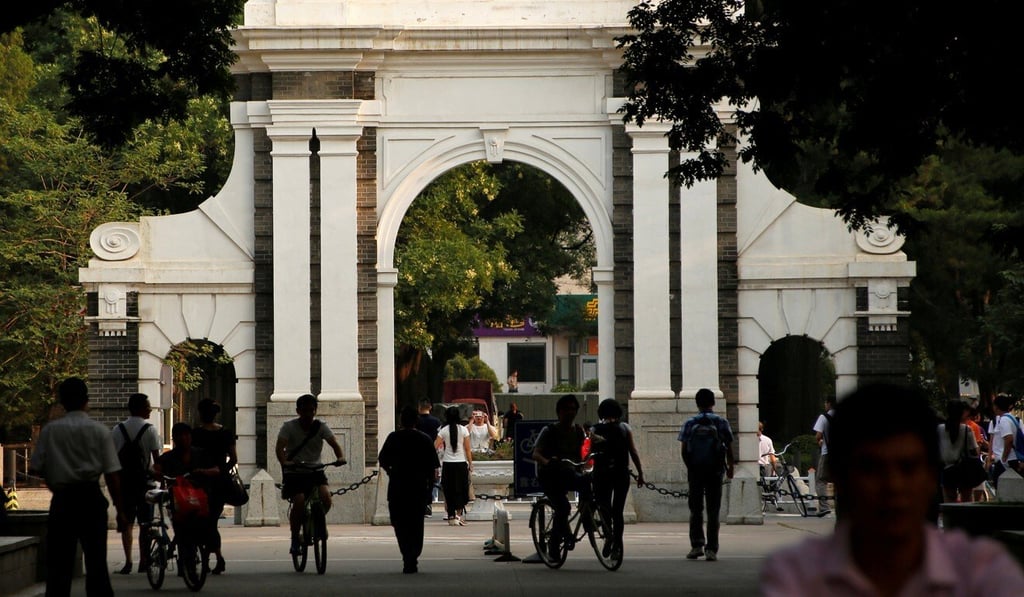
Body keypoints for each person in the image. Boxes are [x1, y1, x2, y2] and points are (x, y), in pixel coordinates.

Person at [760, 383, 1024, 596]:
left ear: (930, 473)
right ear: (840, 477)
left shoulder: (985, 574)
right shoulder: (797, 576)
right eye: (871, 468)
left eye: (908, 467)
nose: (892, 486)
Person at [29, 377, 126, 597]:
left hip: (63, 501)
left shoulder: (51, 431)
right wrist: (121, 511)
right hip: (91, 499)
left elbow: (37, 468)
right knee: (97, 564)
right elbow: (112, 474)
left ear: (62, 401)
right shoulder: (100, 431)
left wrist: (55, 480)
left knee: (59, 567)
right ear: (87, 401)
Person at [275, 393, 347, 555]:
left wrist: (340, 457)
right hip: (295, 471)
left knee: (326, 498)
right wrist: (285, 462)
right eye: (304, 410)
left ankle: (317, 524)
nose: (308, 414)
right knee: (299, 500)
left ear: (315, 411)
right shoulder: (289, 427)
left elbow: (334, 444)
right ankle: (295, 538)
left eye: (311, 410)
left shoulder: (321, 426)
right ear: (298, 411)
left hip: (316, 470)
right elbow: (280, 448)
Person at [378, 406, 441, 574]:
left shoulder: (393, 437)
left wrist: (391, 472)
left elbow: (382, 459)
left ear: (401, 420)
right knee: (416, 524)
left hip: (398, 487)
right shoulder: (425, 439)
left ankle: (407, 554)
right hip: (418, 488)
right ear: (416, 421)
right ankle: (412, 555)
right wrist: (429, 487)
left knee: (399, 523)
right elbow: (433, 467)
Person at [678, 388, 734, 562]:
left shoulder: (690, 422)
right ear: (713, 403)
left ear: (697, 403)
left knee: (695, 510)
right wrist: (730, 466)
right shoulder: (721, 422)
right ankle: (712, 549)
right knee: (713, 510)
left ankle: (696, 545)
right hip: (715, 471)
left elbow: (683, 450)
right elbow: (729, 446)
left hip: (695, 471)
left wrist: (691, 467)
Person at [532, 394, 589, 561]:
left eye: (573, 409)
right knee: (563, 508)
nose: (570, 412)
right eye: (566, 409)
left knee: (587, 485)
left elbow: (580, 455)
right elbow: (535, 453)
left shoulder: (578, 431)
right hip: (550, 475)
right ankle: (554, 545)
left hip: (568, 472)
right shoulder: (549, 431)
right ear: (559, 412)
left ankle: (587, 517)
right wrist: (547, 462)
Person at [111, 392, 162, 575]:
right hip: (145, 485)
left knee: (127, 524)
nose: (149, 409)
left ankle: (128, 562)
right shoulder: (150, 429)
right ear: (141, 408)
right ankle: (144, 560)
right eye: (148, 406)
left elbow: (113, 460)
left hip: (124, 485)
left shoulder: (118, 429)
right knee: (145, 524)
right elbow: (156, 461)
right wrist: (159, 477)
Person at [589, 399, 644, 559]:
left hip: (601, 474)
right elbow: (632, 451)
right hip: (621, 473)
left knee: (604, 508)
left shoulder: (595, 429)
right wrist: (640, 473)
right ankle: (617, 546)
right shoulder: (624, 428)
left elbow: (591, 452)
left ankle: (608, 536)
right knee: (617, 511)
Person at [191, 398, 238, 574]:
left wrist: (202, 471)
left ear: (200, 414)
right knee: (211, 521)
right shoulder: (226, 433)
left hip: (199, 482)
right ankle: (216, 557)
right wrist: (220, 470)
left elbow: (190, 457)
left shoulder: (195, 434)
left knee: (203, 521)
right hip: (220, 483)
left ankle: (211, 557)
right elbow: (234, 458)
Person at [435, 406, 472, 525]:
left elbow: (435, 446)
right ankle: (459, 515)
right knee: (461, 489)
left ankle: (451, 515)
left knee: (449, 489)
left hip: (448, 464)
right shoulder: (464, 430)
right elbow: (467, 449)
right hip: (461, 464)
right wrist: (470, 463)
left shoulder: (443, 430)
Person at [938, 400, 980, 503]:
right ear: (962, 413)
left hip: (946, 469)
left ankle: (950, 519)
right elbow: (974, 452)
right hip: (964, 470)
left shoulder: (939, 429)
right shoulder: (967, 429)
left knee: (948, 501)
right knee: (967, 500)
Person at [414, 399, 442, 516]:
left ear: (419, 407)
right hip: (431, 453)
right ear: (430, 407)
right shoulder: (436, 422)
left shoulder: (416, 421)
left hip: (417, 454)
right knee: (430, 481)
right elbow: (439, 440)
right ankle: (428, 505)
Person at [986, 394, 1020, 487]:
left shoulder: (1004, 420)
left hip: (1006, 461)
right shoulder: (1012, 419)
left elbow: (1009, 439)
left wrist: (1004, 458)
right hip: (1011, 459)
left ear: (996, 407)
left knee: (1002, 487)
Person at [812, 397, 836, 514]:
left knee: (821, 480)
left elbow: (818, 435)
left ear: (829, 404)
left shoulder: (824, 417)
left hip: (827, 453)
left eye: (825, 403)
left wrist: (820, 441)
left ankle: (824, 507)